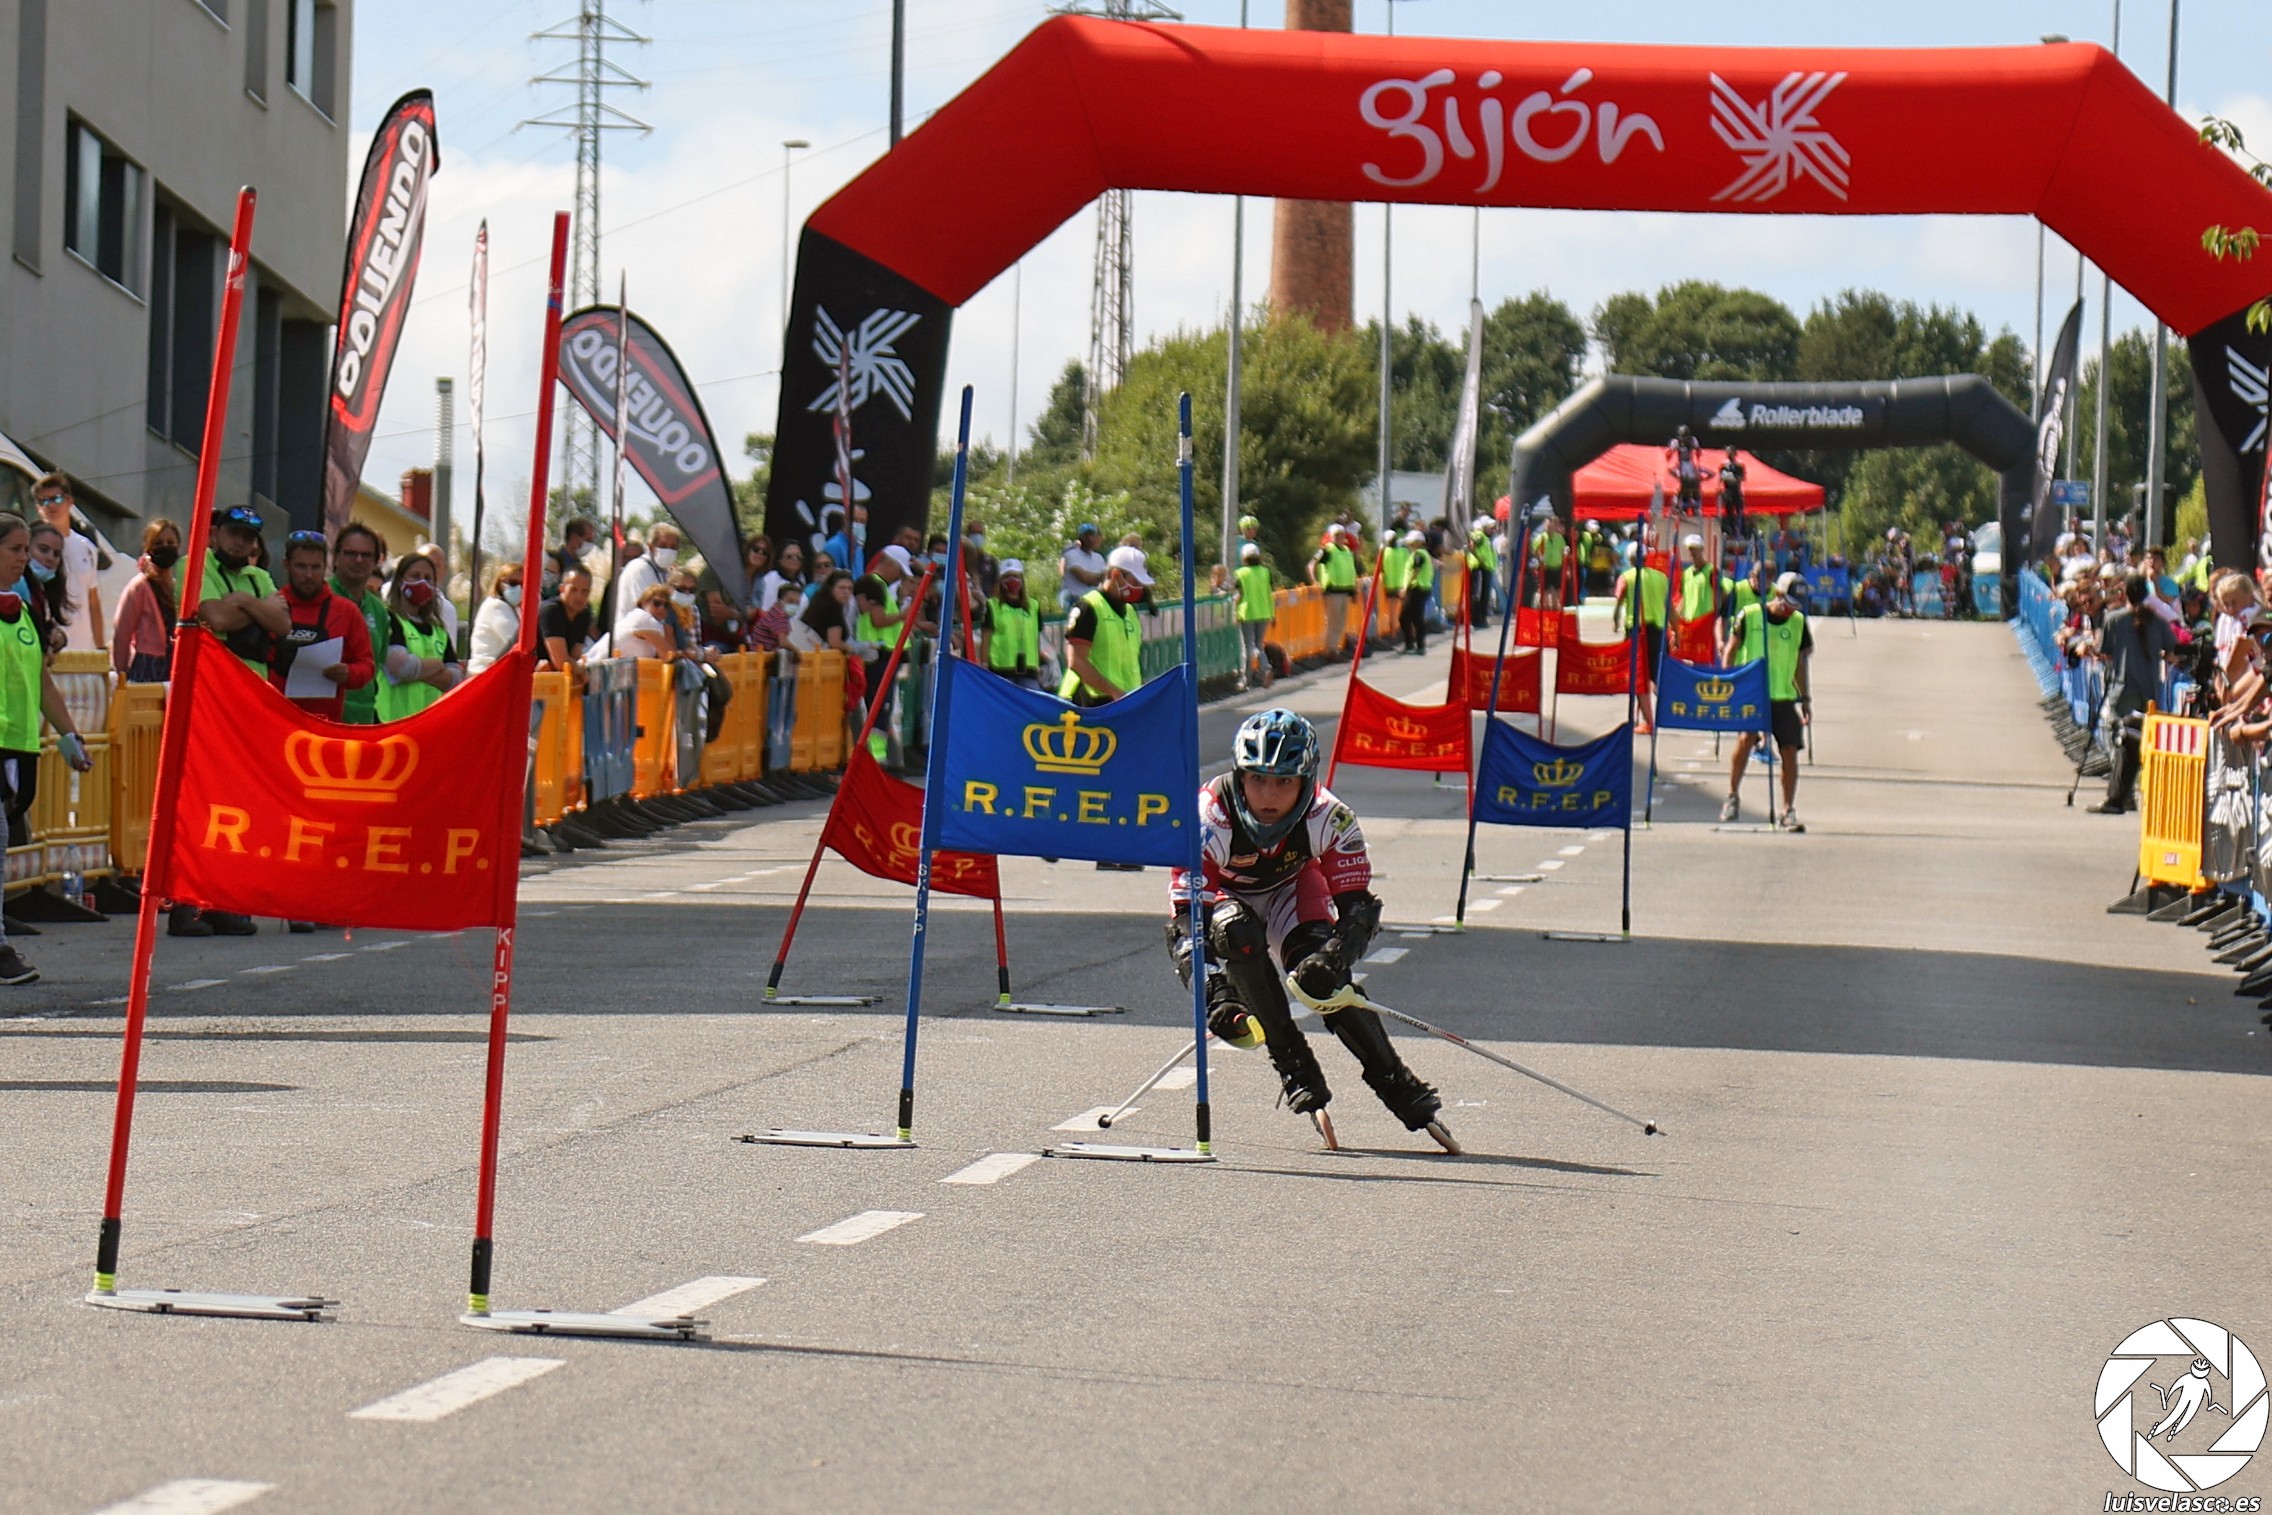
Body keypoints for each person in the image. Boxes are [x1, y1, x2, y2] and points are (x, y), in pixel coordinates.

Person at [1164, 708, 1450, 1150]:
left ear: (1306, 779)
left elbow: (1359, 910)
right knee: (1236, 932)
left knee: (1323, 980)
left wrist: (1335, 955)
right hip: (1225, 901)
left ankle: (1398, 1083)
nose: (1268, 795)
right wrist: (1213, 991)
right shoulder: (1207, 816)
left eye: (1284, 782)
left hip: (1291, 890)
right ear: (1239, 775)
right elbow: (1186, 922)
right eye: (1257, 779)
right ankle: (1294, 1066)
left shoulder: (1330, 816)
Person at [0, 516, 96, 980]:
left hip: (17, 746)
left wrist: (69, 734)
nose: (23, 558)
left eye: (25, 549)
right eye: (14, 549)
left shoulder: (22, 613)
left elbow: (40, 680)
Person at [1720, 571, 1814, 832]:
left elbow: (1800, 663)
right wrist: (1729, 685)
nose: (1791, 609)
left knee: (1790, 751)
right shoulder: (1750, 615)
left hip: (1783, 695)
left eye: (1796, 605)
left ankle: (1787, 810)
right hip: (1752, 693)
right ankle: (1732, 796)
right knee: (1746, 740)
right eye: (1788, 602)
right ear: (1778, 594)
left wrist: (1805, 697)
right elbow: (1730, 651)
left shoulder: (1798, 622)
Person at [2090, 573, 2182, 814]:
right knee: (2140, 740)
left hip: (2123, 688)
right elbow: (2172, 650)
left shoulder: (2114, 619)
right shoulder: (2158, 622)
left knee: (2119, 738)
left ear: (2124, 594)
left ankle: (2122, 793)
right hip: (2150, 691)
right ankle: (2129, 790)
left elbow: (2105, 652)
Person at [270, 531, 375, 722]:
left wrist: (348, 673)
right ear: (286, 565)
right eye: (301, 566)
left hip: (326, 724)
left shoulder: (346, 611)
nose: (309, 575)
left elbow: (367, 666)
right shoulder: (271, 606)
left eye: (316, 567)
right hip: (276, 719)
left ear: (326, 566)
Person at [192, 505, 289, 674]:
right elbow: (219, 619)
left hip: (255, 681)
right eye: (233, 533)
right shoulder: (196, 564)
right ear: (214, 533)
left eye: (248, 537)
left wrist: (244, 600)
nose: (239, 542)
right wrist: (263, 608)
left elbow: (283, 625)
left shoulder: (260, 576)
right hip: (214, 677)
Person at [1061, 544, 1151, 707]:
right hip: (1091, 704)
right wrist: (1114, 692)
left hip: (1124, 701)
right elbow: (1076, 661)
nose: (1139, 587)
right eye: (1135, 581)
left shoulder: (1130, 612)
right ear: (1115, 574)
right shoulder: (1089, 607)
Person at [376, 552, 462, 721]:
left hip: (427, 726)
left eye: (428, 578)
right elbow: (402, 668)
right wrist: (438, 665)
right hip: (391, 723)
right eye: (415, 576)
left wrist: (416, 670)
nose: (422, 583)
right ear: (400, 580)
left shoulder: (439, 630)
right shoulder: (389, 619)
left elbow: (455, 680)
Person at [30, 471, 105, 651]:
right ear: (37, 507)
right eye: (43, 501)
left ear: (70, 501)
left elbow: (93, 601)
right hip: (48, 648)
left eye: (56, 499)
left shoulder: (87, 547)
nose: (50, 506)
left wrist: (100, 647)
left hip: (82, 650)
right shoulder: (29, 545)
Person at [325, 523, 391, 724]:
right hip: (322, 716)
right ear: (335, 558)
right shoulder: (319, 598)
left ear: (376, 561)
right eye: (351, 553)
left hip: (363, 718)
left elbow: (377, 663)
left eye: (366, 555)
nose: (359, 560)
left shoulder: (378, 610)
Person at [111, 519, 182, 684]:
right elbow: (122, 634)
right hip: (146, 665)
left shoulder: (177, 588)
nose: (165, 547)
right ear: (149, 548)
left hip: (174, 664)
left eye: (170, 542)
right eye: (159, 543)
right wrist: (121, 674)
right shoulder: (140, 586)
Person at [977, 559, 1041, 690]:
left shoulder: (1034, 606)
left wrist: (1038, 664)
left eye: (1016, 576)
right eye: (1007, 577)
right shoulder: (992, 606)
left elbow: (1037, 638)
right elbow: (986, 639)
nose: (1012, 581)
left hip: (1028, 669)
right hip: (1001, 669)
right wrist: (984, 665)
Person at [1614, 546, 1670, 686]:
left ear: (1630, 559)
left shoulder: (1626, 577)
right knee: (1657, 673)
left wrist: (1615, 621)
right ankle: (1658, 697)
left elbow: (1619, 601)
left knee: (1638, 674)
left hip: (1636, 629)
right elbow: (1670, 608)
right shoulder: (1662, 577)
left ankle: (1644, 698)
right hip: (1658, 630)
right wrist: (1676, 630)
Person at [23, 522, 73, 655]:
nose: (50, 558)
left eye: (56, 554)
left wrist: (59, 637)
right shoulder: (16, 585)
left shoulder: (43, 592)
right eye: (43, 550)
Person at [538, 565, 596, 678]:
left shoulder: (584, 614)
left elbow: (575, 656)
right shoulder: (551, 611)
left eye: (585, 591)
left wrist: (579, 669)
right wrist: (580, 670)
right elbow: (561, 663)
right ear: (562, 589)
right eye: (573, 590)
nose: (579, 596)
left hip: (554, 677)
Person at [1311, 524, 1359, 658]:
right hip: (1332, 591)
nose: (1339, 537)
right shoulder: (1327, 550)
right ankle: (1329, 649)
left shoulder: (1347, 551)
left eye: (1341, 535)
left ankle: (1335, 648)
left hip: (1345, 591)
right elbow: (1311, 564)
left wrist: (1354, 591)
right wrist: (1314, 581)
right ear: (1332, 536)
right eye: (1336, 535)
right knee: (1332, 621)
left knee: (1341, 622)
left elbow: (1352, 571)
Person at [467, 562, 523, 675]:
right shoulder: (496, 606)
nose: (518, 588)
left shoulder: (515, 609)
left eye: (523, 584)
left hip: (498, 672)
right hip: (482, 673)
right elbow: (519, 640)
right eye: (513, 583)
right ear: (500, 584)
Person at [1234, 543, 1275, 691]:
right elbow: (1270, 591)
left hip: (1247, 612)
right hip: (1264, 611)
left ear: (1244, 558)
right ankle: (1265, 668)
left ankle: (1246, 679)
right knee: (1258, 645)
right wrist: (1273, 614)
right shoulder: (1266, 572)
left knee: (1248, 647)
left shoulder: (1240, 573)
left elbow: (1238, 594)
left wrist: (1234, 612)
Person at [792, 571, 854, 653]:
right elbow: (834, 642)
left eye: (850, 588)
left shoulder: (819, 600)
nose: (846, 592)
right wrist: (850, 648)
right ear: (831, 588)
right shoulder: (832, 608)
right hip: (814, 654)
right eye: (841, 588)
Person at [1397, 529, 1433, 655]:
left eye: (1411, 542)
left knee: (1411, 618)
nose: (1409, 544)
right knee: (1409, 617)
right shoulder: (1422, 554)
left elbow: (1415, 572)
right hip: (1421, 588)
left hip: (1417, 588)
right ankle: (1412, 644)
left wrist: (1405, 588)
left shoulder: (1418, 554)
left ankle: (1417, 645)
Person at [1060, 523, 1108, 612]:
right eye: (1086, 535)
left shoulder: (1099, 558)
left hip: (1093, 601)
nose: (1089, 538)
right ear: (1080, 537)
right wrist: (1101, 576)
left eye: (1092, 535)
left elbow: (1105, 581)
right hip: (1075, 601)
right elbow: (1085, 579)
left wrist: (1100, 577)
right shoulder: (1071, 555)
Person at [1528, 511, 1569, 611]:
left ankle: (1557, 607)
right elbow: (1533, 550)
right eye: (1546, 525)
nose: (1548, 527)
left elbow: (1563, 551)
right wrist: (1539, 557)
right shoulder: (1540, 538)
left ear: (1554, 526)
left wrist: (1566, 555)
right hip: (1545, 567)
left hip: (1557, 566)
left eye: (1550, 525)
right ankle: (1543, 607)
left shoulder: (1559, 538)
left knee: (1558, 589)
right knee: (1545, 589)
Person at [1464, 518, 1497, 627]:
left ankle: (1482, 618)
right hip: (1479, 567)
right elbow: (1471, 546)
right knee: (1477, 594)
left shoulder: (1487, 538)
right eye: (1491, 528)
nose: (1493, 530)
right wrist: (1479, 558)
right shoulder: (1480, 535)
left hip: (1486, 568)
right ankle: (1477, 619)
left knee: (1485, 595)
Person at [758, 541, 806, 614]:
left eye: (798, 557)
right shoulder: (771, 578)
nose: (795, 559)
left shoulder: (800, 580)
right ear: (779, 559)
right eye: (789, 556)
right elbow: (765, 608)